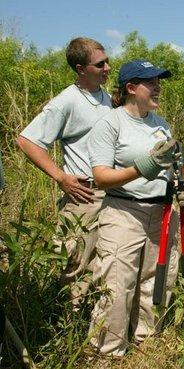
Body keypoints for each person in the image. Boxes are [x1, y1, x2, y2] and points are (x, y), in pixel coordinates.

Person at [87, 59, 184, 356]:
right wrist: (143, 168)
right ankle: (108, 351)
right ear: (131, 88)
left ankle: (146, 342)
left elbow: (170, 167)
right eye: (150, 82)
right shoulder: (110, 123)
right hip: (123, 212)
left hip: (161, 212)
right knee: (117, 284)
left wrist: (181, 188)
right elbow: (101, 177)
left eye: (159, 81)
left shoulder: (161, 124)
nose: (158, 87)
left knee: (155, 280)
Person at [16, 37, 112, 310]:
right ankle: (68, 323)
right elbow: (27, 141)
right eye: (100, 64)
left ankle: (95, 318)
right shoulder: (66, 102)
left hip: (110, 194)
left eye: (107, 62)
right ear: (81, 69)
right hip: (83, 196)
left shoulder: (106, 97)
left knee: (102, 260)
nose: (107, 68)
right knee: (75, 261)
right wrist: (61, 177)